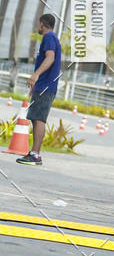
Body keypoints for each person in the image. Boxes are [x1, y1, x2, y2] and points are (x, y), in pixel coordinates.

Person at [17, 13, 62, 166]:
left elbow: (50, 58)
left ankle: (35, 155)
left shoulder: (48, 37)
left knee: (39, 119)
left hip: (45, 86)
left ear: (42, 24)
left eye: (39, 24)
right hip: (43, 86)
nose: (38, 26)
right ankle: (34, 153)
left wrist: (35, 75)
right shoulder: (52, 38)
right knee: (36, 118)